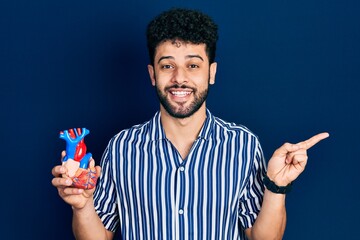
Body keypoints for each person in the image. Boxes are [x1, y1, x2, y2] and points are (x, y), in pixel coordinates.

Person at [52, 8, 329, 240]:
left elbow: (262, 238)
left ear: (212, 73)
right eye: (167, 65)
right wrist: (82, 206)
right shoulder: (122, 148)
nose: (179, 78)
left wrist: (276, 187)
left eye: (193, 65)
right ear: (152, 74)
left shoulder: (243, 145)